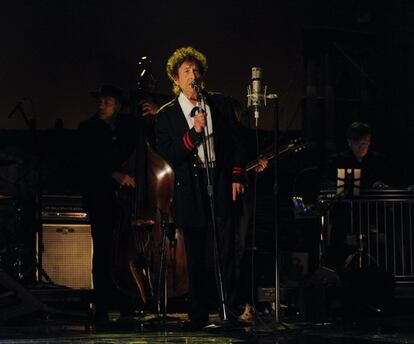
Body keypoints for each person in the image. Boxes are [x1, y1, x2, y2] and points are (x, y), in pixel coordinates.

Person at [155, 46, 247, 329]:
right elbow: (170, 154)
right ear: (176, 80)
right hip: (189, 187)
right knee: (195, 252)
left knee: (226, 248)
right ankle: (198, 314)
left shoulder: (218, 103)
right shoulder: (167, 115)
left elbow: (237, 142)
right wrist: (193, 133)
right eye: (186, 71)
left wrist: (236, 176)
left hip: (218, 179)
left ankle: (230, 310)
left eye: (196, 70)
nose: (192, 75)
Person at [78, 84, 138, 323]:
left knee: (124, 253)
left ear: (118, 106)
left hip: (125, 201)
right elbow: (89, 164)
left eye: (107, 102)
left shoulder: (126, 127)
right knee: (102, 252)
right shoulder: (88, 128)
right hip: (100, 199)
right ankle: (102, 306)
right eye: (101, 102)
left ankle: (126, 302)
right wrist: (115, 175)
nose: (102, 106)